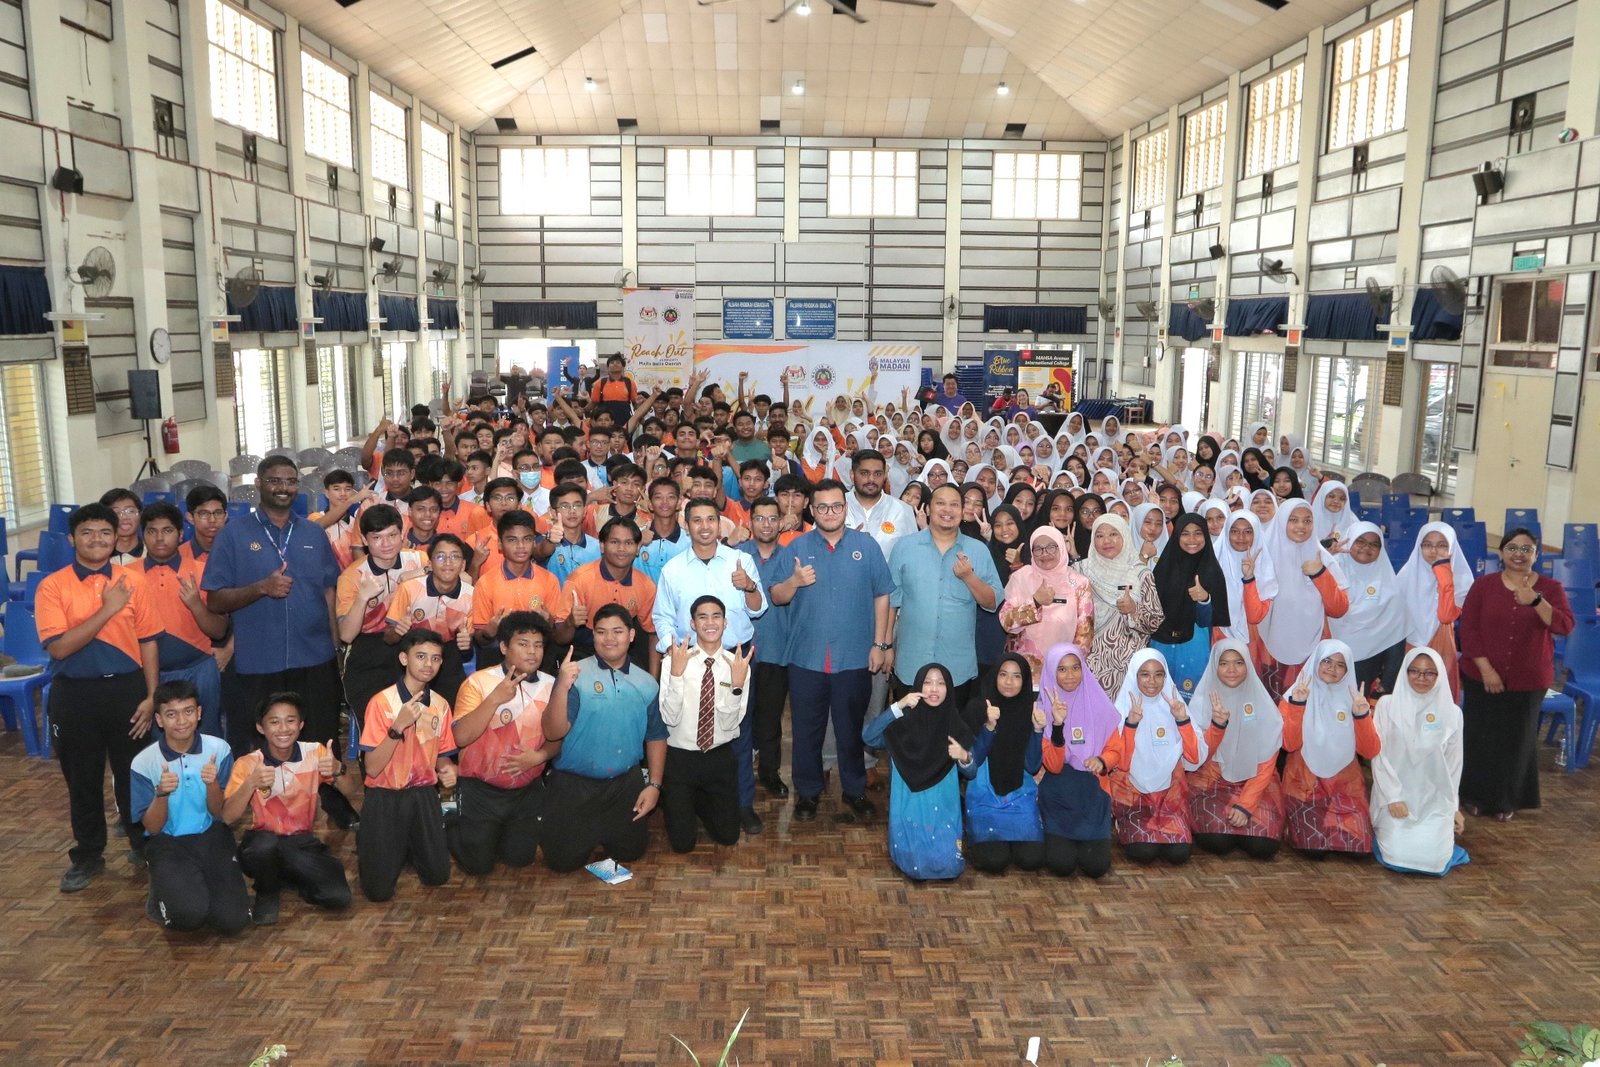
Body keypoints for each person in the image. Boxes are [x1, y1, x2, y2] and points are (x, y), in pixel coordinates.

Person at [202, 456, 351, 835]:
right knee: (256, 744)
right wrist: (260, 589)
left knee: (321, 738)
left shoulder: (313, 534)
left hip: (313, 655)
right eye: (275, 481)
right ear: (259, 483)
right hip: (258, 660)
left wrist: (335, 649)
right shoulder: (234, 536)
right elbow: (215, 601)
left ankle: (333, 805)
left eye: (290, 481)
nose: (283, 487)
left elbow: (329, 593)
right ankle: (257, 815)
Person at [36, 503, 162, 892]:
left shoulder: (133, 580)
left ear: (117, 537)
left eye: (105, 533)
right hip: (74, 693)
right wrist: (108, 609)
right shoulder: (52, 586)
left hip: (127, 690)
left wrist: (152, 696)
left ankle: (142, 845)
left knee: (134, 774)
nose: (97, 540)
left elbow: (148, 642)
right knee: (83, 779)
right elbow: (58, 649)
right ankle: (89, 853)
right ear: (72, 538)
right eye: (88, 532)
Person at [767, 480, 896, 824]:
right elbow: (777, 596)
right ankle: (807, 794)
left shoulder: (866, 546)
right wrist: (794, 582)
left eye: (836, 506)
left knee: (850, 728)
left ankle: (854, 790)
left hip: (855, 657)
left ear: (845, 507)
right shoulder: (795, 547)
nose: (829, 513)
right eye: (821, 507)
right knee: (806, 730)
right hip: (806, 657)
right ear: (811, 509)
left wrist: (880, 644)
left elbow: (883, 594)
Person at [1457, 528, 1574, 820]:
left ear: (1536, 555)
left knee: (1517, 740)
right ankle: (1474, 796)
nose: (1518, 554)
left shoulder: (1551, 588)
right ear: (1501, 553)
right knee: (1480, 736)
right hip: (1480, 675)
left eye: (1526, 549)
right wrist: (1486, 670)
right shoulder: (1483, 586)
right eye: (1512, 548)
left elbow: (1564, 626)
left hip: (1528, 679)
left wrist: (1536, 601)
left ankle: (1507, 800)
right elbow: (1469, 631)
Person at [540, 605, 669, 872]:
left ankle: (602, 828)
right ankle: (586, 828)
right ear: (593, 635)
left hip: (624, 782)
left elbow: (656, 736)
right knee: (561, 863)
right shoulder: (574, 674)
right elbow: (552, 732)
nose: (609, 638)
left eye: (617, 631)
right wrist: (562, 686)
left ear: (632, 635)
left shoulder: (647, 682)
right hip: (573, 783)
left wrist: (654, 786)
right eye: (601, 632)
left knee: (630, 852)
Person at [129, 680, 250, 933]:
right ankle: (161, 890)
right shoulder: (143, 762)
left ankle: (195, 882)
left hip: (212, 835)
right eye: (171, 714)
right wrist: (161, 794)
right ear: (160, 720)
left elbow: (222, 815)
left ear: (199, 713)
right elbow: (151, 827)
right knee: (189, 916)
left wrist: (213, 784)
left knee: (233, 921)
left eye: (188, 711)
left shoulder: (220, 749)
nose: (181, 721)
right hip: (168, 841)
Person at [223, 692, 352, 925]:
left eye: (290, 720)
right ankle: (267, 892)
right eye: (274, 721)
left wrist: (337, 769)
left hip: (301, 842)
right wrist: (251, 783)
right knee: (264, 847)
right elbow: (228, 816)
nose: (283, 728)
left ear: (301, 724)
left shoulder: (316, 752)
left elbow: (350, 791)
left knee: (338, 897)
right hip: (262, 840)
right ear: (261, 728)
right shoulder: (248, 763)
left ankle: (288, 875)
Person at [448, 612, 559, 875]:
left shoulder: (552, 685)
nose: (532, 652)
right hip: (481, 790)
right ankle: (451, 820)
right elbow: (461, 737)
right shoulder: (477, 683)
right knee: (478, 866)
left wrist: (540, 756)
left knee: (520, 859)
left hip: (526, 792)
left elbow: (559, 739)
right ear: (503, 647)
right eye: (523, 644)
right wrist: (494, 699)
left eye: (538, 645)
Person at [355, 630, 459, 902]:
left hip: (423, 794)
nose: (429, 664)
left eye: (436, 659)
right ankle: (384, 844)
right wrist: (396, 728)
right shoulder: (381, 703)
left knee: (438, 876)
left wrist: (447, 769)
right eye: (421, 656)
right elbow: (373, 768)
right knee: (377, 892)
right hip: (385, 796)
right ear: (404, 658)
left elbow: (442, 755)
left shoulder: (440, 705)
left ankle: (407, 844)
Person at [886, 483, 1005, 707]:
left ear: (962, 512)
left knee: (952, 737)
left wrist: (969, 577)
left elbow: (991, 602)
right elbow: (891, 602)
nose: (947, 510)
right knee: (909, 737)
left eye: (954, 505)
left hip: (957, 667)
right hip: (911, 661)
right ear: (928, 509)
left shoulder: (978, 550)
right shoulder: (904, 547)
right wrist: (885, 647)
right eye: (940, 503)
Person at [862, 663, 976, 881]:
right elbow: (868, 737)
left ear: (949, 689)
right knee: (916, 868)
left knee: (950, 867)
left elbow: (972, 772)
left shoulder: (956, 725)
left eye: (941, 683)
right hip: (909, 808)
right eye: (928, 682)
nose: (934, 689)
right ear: (917, 687)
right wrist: (899, 705)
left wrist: (964, 757)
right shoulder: (903, 723)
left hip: (942, 810)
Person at [658, 597, 754, 852]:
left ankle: (700, 800)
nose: (710, 623)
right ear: (692, 623)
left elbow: (733, 723)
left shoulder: (738, 665)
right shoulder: (673, 661)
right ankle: (686, 800)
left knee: (728, 836)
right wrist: (677, 677)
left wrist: (735, 686)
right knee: (682, 844)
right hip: (680, 758)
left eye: (716, 617)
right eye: (702, 617)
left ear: (725, 623)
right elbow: (668, 718)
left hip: (719, 757)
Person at [1370, 648, 1471, 876]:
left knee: (1433, 861)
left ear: (1439, 676)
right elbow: (1379, 756)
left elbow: (1454, 766)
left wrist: (1453, 806)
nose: (1421, 678)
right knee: (1397, 856)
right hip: (1395, 797)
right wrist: (1392, 797)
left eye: (1429, 673)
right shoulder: (1387, 706)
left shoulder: (1452, 714)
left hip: (1434, 799)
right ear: (1405, 673)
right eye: (1414, 671)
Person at [1279, 640, 1380, 857]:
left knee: (1358, 849)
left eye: (1340, 665)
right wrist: (1298, 705)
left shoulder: (1355, 700)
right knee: (1312, 848)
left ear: (1348, 670)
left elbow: (1370, 751)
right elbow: (1289, 744)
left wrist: (1362, 716)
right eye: (1326, 661)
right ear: (1316, 661)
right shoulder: (1293, 696)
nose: (1332, 669)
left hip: (1344, 788)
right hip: (1304, 786)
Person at [1185, 640, 1284, 859]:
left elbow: (1267, 762)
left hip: (1254, 782)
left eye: (1239, 663)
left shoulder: (1263, 704)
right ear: (1214, 667)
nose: (1232, 670)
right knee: (1217, 841)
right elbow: (1197, 758)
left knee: (1263, 847)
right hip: (1212, 782)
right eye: (1224, 663)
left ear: (1248, 665)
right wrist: (1217, 726)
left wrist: (1246, 805)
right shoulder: (1202, 701)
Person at [338, 504, 428, 746]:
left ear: (402, 534)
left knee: (421, 726)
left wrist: (419, 576)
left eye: (392, 535)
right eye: (376, 538)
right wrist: (362, 597)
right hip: (369, 651)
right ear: (365, 540)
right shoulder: (352, 576)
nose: (386, 544)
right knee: (376, 727)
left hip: (413, 644)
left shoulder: (419, 559)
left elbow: (458, 579)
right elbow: (346, 635)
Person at [1029, 644, 1120, 879]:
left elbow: (1116, 748)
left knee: (1097, 867)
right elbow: (1054, 765)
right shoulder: (1041, 710)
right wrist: (1057, 725)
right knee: (1061, 865)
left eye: (1075, 668)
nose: (1070, 676)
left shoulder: (1100, 703)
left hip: (1093, 792)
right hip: (1059, 792)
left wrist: (1103, 760)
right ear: (1051, 672)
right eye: (1062, 669)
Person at [1107, 649, 1205, 865]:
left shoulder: (1176, 707)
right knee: (1143, 852)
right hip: (1133, 796)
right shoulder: (1121, 710)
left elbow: (1195, 758)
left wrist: (1182, 721)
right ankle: (1123, 822)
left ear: (1166, 676)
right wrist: (1131, 723)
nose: (1152, 681)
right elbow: (1121, 763)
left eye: (1159, 674)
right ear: (1134, 675)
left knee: (1179, 854)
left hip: (1170, 798)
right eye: (1144, 674)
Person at [139, 502, 229, 737]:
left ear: (180, 534)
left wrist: (196, 605)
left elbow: (219, 631)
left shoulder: (202, 570)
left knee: (207, 737)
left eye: (167, 531)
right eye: (151, 531)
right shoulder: (127, 575)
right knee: (157, 746)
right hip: (147, 674)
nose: (159, 538)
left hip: (199, 668)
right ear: (143, 535)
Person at [1257, 499, 1350, 700]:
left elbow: (1339, 608)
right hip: (1269, 648)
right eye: (1294, 520)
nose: (1301, 526)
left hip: (1313, 647)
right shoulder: (1263, 557)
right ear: (1282, 522)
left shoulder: (1322, 557)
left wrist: (1320, 574)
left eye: (1307, 521)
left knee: (1306, 708)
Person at [960, 655, 1045, 875]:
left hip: (1019, 797)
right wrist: (988, 727)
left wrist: (1037, 731)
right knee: (994, 861)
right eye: (1003, 674)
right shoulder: (978, 707)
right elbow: (972, 763)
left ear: (1025, 681)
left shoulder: (1030, 710)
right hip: (985, 795)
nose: (1009, 682)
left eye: (1017, 676)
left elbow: (1033, 765)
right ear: (994, 676)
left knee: (1031, 859)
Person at [737, 498, 794, 807]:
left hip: (777, 649)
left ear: (780, 522)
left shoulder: (791, 557)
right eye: (760, 518)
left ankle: (770, 773)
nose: (767, 524)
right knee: (738, 716)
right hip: (738, 652)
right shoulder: (735, 555)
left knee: (770, 718)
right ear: (750, 522)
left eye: (773, 519)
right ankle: (739, 770)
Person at [1074, 513, 1164, 696]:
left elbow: (1155, 622)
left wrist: (1134, 610)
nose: (1107, 541)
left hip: (1129, 666)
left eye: (1114, 534)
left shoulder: (1141, 574)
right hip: (1089, 663)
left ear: (1124, 535)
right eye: (1099, 535)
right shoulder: (1079, 572)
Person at [471, 510, 570, 671]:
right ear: (500, 545)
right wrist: (489, 632)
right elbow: (481, 640)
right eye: (512, 540)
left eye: (527, 539)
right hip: (497, 658)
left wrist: (549, 622)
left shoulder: (549, 580)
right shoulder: (485, 583)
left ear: (534, 542)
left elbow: (557, 636)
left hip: (538, 659)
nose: (520, 546)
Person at [384, 533, 475, 704]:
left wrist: (467, 644)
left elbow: (467, 649)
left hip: (448, 656)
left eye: (455, 557)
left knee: (453, 704)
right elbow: (389, 638)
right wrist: (398, 631)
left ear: (463, 565)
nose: (448, 562)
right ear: (430, 563)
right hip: (412, 652)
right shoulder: (409, 588)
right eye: (440, 556)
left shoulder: (471, 596)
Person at [562, 518, 660, 670]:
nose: (622, 548)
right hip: (582, 653)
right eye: (614, 542)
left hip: (623, 654)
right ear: (602, 546)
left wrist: (654, 681)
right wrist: (570, 622)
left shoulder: (646, 586)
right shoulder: (579, 580)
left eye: (629, 543)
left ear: (638, 548)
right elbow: (559, 638)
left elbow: (653, 633)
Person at [1150, 514, 1231, 697]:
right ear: (1177, 535)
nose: (1192, 540)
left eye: (1198, 533)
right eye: (1185, 533)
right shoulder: (1164, 567)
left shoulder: (1212, 570)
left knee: (1191, 697)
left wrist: (1204, 599)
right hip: (1161, 643)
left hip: (1195, 642)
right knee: (1159, 695)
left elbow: (1209, 621)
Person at [999, 525, 1094, 679]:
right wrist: (1035, 602)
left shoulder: (1079, 583)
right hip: (1022, 673)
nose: (1045, 554)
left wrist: (1068, 669)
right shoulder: (1021, 577)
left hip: (1063, 672)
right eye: (1038, 549)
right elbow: (1006, 622)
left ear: (1061, 548)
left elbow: (1084, 636)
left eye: (1051, 547)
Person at [1328, 522, 1409, 698]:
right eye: (1361, 542)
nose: (1366, 548)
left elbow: (1396, 637)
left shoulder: (1390, 588)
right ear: (1349, 543)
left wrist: (1389, 680)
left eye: (1374, 544)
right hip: (1328, 659)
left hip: (1368, 663)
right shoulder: (1331, 571)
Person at [1395, 523, 1474, 699]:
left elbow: (1445, 616)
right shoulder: (1405, 576)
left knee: (1439, 697)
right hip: (1409, 642)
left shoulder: (1461, 580)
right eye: (1427, 544)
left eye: (1442, 545)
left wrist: (1443, 571)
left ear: (1452, 548)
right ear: (1419, 547)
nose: (1433, 551)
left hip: (1441, 641)